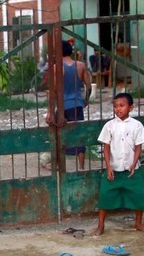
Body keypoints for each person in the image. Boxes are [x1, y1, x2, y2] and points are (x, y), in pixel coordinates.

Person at [92, 93, 144, 236]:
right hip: (114, 169)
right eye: (115, 106)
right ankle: (100, 226)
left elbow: (138, 147)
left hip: (132, 170)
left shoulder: (137, 125)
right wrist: (108, 166)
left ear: (130, 107)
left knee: (139, 195)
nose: (118, 109)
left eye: (121, 106)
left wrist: (134, 162)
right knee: (105, 196)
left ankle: (138, 222)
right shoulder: (109, 126)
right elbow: (106, 147)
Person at [46, 40, 92, 169]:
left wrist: (50, 111)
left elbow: (53, 91)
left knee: (58, 133)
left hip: (63, 106)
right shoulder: (81, 66)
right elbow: (88, 87)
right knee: (79, 134)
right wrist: (85, 100)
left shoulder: (56, 67)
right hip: (77, 104)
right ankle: (81, 166)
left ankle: (58, 164)